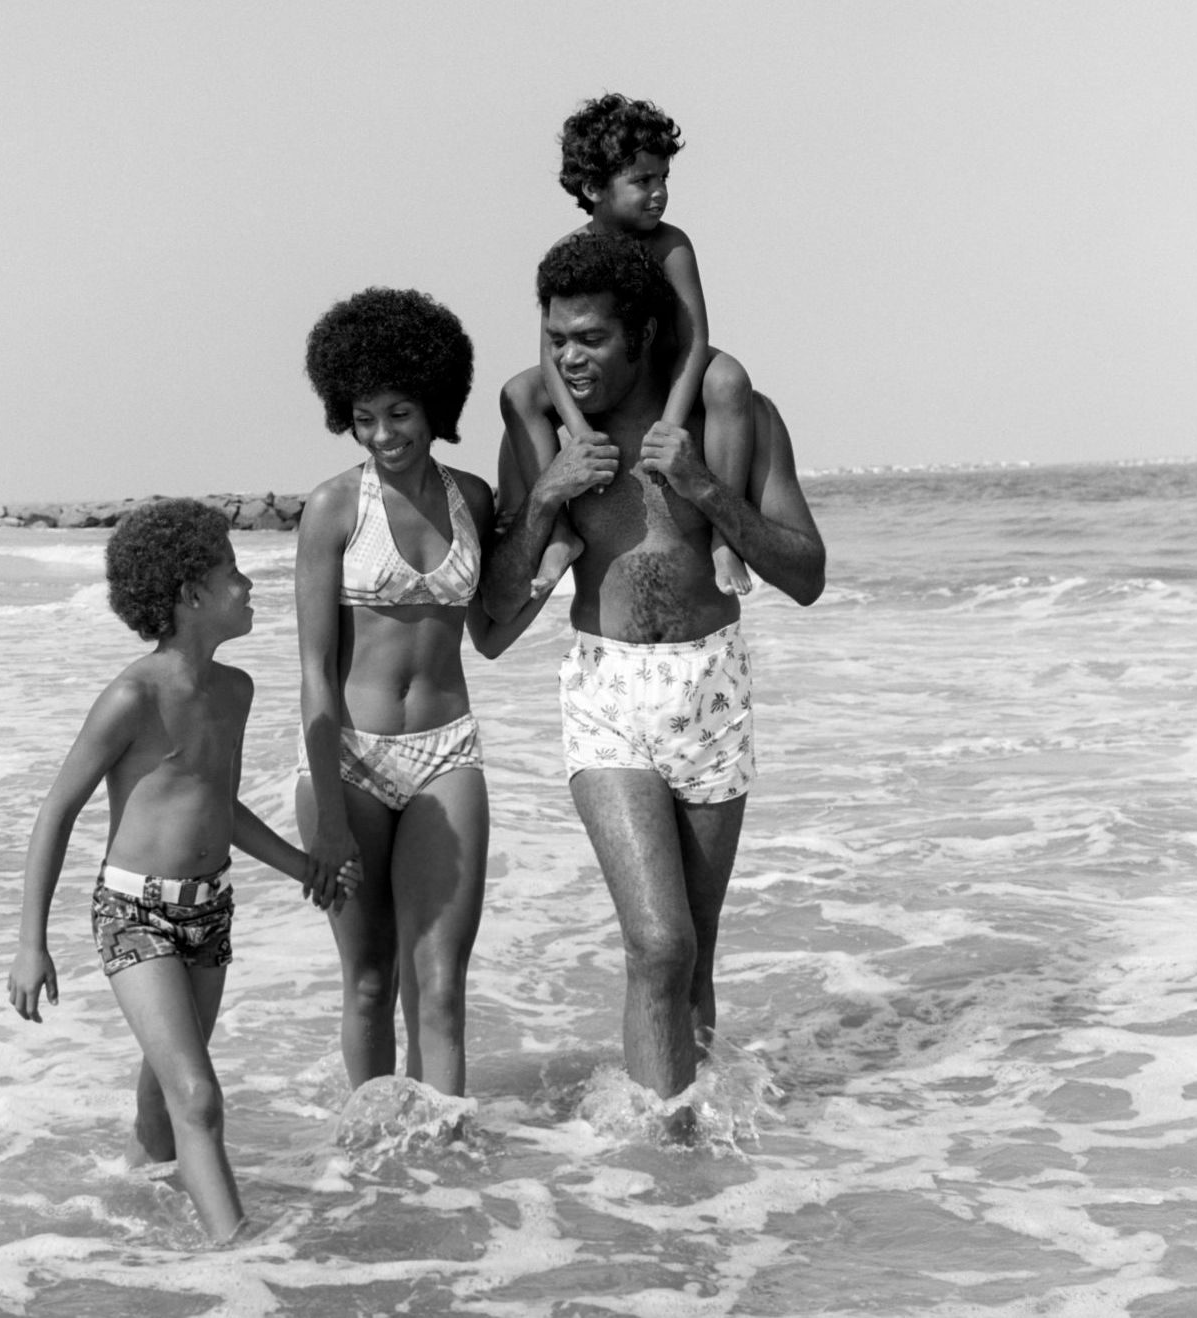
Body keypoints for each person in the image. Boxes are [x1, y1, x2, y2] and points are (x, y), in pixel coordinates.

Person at [485, 233, 826, 1113]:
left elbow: (805, 575)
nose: (569, 356)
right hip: (606, 692)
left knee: (694, 954)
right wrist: (549, 495)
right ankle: (652, 1151)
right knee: (658, 943)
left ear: (640, 334)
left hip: (712, 689)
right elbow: (488, 625)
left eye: (590, 337)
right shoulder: (551, 436)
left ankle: (688, 1170)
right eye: (558, 337)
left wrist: (706, 489)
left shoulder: (727, 419)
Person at [7, 498, 348, 1243]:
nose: (248, 581)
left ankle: (129, 1215)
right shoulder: (133, 697)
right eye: (232, 571)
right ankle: (242, 1257)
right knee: (197, 1094)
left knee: (165, 1107)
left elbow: (216, 805)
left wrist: (303, 866)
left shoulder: (234, 692)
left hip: (208, 912)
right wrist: (31, 943)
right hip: (133, 913)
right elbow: (56, 813)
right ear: (191, 595)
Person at [295, 287, 542, 1101]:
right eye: (362, 417)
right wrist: (328, 816)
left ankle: (447, 1152)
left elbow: (490, 637)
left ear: (434, 403)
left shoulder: (472, 500)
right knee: (368, 979)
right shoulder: (334, 509)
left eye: (399, 413)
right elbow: (312, 670)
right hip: (351, 760)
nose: (381, 435)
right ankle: (372, 1157)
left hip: (448, 752)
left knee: (438, 986)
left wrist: (551, 568)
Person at [498, 93, 757, 601]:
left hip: (665, 362)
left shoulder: (671, 245)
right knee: (518, 393)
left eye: (663, 178)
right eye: (642, 181)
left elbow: (694, 338)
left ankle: (726, 537)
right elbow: (553, 357)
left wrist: (672, 425)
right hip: (605, 369)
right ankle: (559, 533)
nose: (658, 193)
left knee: (730, 380)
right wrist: (578, 434)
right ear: (594, 187)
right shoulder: (568, 255)